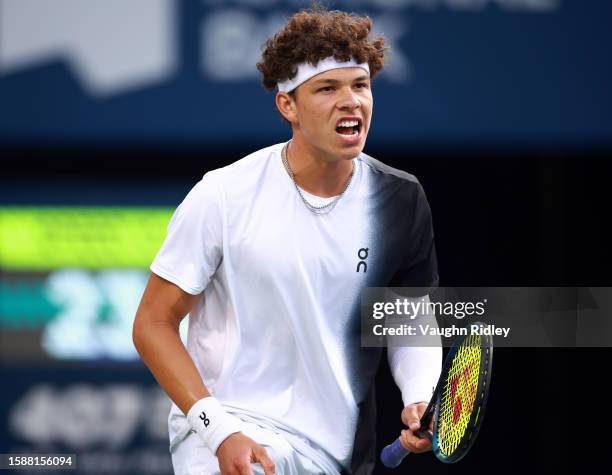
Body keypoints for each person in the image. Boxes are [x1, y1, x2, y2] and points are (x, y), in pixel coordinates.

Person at [133, 6, 441, 475]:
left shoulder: (399, 199)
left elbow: (406, 321)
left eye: (360, 85)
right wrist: (218, 430)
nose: (351, 101)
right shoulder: (222, 194)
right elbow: (153, 322)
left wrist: (419, 396)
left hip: (332, 451)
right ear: (287, 106)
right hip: (230, 429)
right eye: (327, 88)